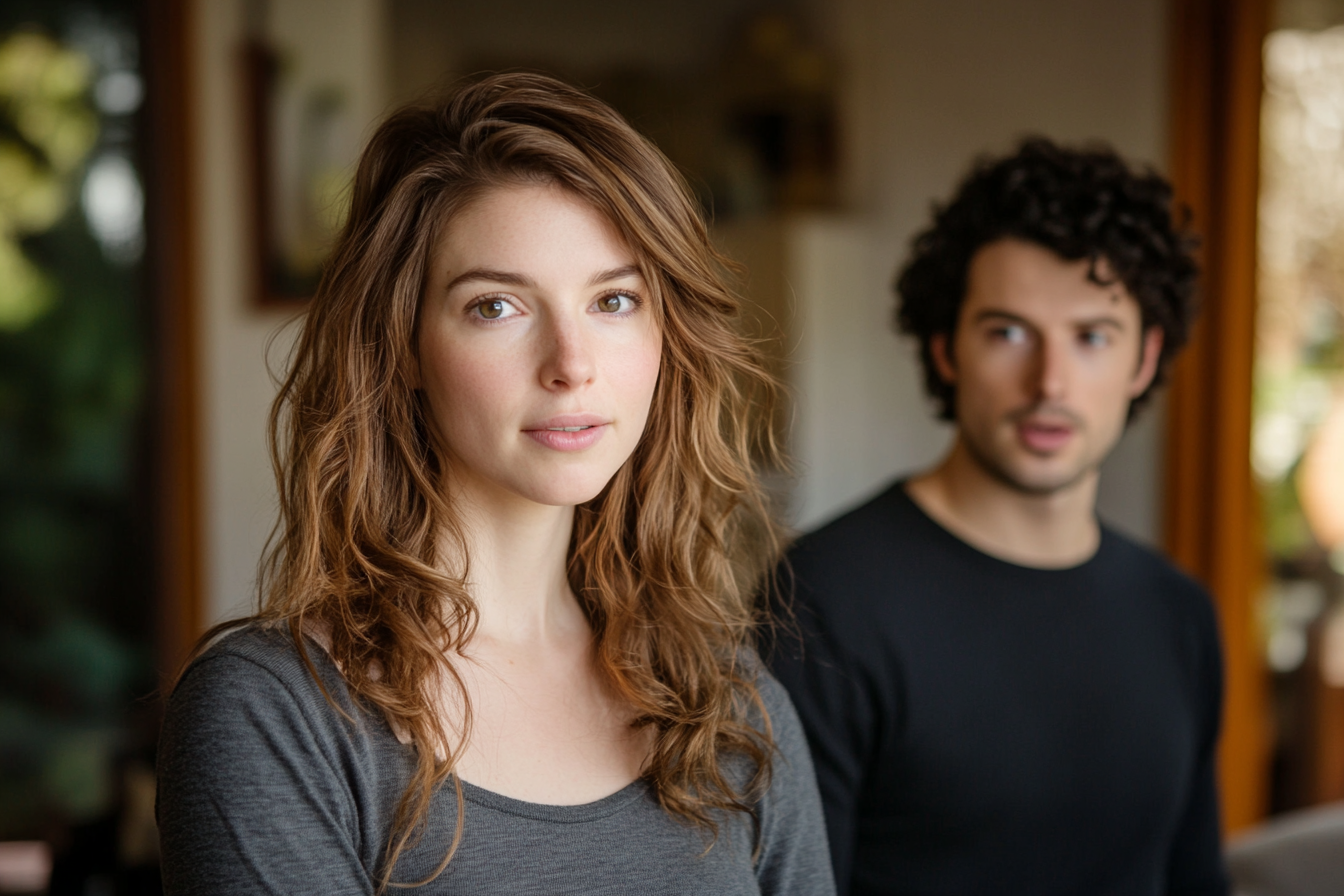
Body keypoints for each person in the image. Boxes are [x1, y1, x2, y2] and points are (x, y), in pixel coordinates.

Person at [156, 73, 834, 896]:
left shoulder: (731, 706)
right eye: (497, 308)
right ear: (400, 347)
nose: (572, 366)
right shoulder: (275, 718)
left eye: (614, 300)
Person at [770, 137, 1228, 896]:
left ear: (1144, 360)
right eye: (1008, 332)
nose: (1049, 382)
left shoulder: (1176, 615)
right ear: (947, 350)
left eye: (1091, 337)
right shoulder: (823, 599)